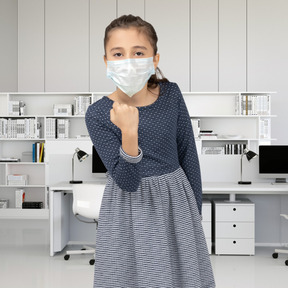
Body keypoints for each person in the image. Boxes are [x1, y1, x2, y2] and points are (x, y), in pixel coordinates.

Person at [85, 14, 215, 288]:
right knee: (132, 277)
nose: (128, 61)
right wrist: (129, 132)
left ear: (154, 59)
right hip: (128, 207)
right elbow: (128, 181)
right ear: (106, 60)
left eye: (138, 52)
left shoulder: (171, 94)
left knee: (183, 277)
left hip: (175, 201)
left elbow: (187, 153)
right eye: (118, 53)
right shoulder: (97, 114)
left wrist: (195, 211)